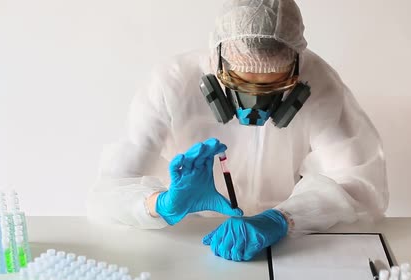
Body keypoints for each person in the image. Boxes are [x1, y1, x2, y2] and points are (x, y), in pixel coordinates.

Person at [88, 0, 388, 262]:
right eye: (240, 83)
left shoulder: (319, 84)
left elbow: (361, 184)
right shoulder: (172, 83)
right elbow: (106, 194)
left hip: (282, 240)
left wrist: (282, 219)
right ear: (216, 60)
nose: (255, 102)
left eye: (273, 85)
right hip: (188, 238)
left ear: (296, 65)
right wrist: (161, 205)